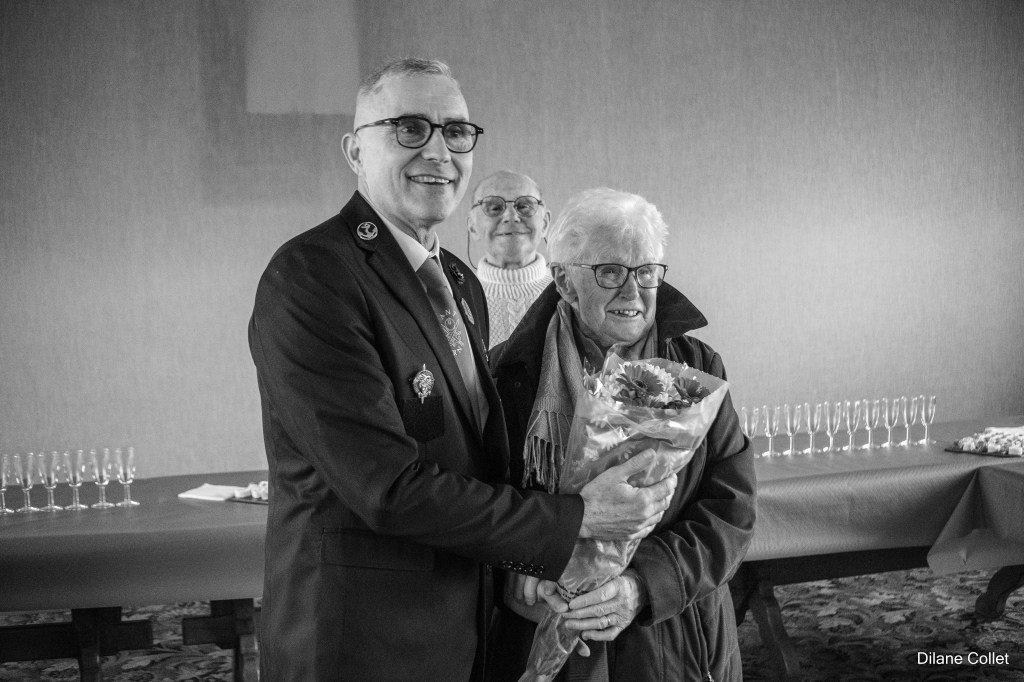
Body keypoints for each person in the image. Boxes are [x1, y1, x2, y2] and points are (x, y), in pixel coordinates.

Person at [248, 59, 678, 682]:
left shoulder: (457, 280)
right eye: (410, 127)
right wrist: (576, 519)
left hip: (463, 628)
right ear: (355, 151)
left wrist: (521, 570)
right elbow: (388, 489)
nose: (438, 151)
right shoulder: (313, 277)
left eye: (455, 131)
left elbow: (470, 461)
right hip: (362, 641)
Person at [488, 188, 757, 681]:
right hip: (547, 633)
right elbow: (479, 508)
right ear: (564, 281)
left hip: (674, 642)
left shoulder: (698, 368)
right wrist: (517, 565)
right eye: (610, 272)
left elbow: (732, 511)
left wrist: (645, 585)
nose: (633, 292)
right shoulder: (506, 375)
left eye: (646, 271)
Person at [467, 170, 553, 346]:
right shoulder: (458, 300)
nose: (511, 217)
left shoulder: (569, 292)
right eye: (494, 208)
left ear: (545, 223)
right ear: (473, 226)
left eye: (524, 206)